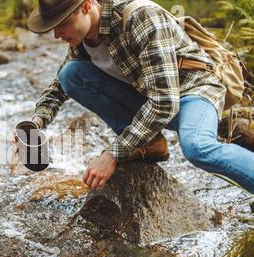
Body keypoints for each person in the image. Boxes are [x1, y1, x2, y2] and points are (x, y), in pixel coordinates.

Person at [21, 0, 254, 193]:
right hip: (153, 98)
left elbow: (164, 102)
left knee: (198, 148)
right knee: (71, 74)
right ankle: (150, 144)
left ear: (86, 5)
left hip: (194, 93)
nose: (56, 35)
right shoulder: (83, 37)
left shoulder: (140, 17)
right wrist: (37, 121)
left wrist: (114, 153)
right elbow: (61, 84)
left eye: (61, 24)